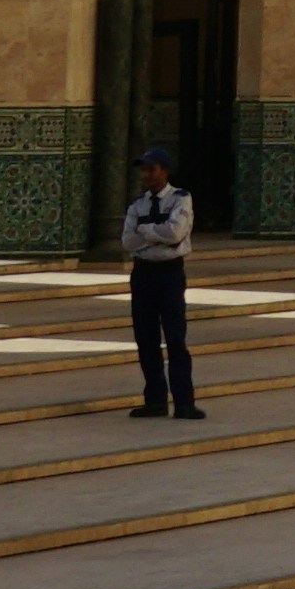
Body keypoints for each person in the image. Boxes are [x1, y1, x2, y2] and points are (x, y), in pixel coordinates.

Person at [121, 144, 201, 422]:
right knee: (146, 338)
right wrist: (157, 233)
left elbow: (176, 233)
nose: (147, 175)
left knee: (175, 338)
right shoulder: (137, 204)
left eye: (151, 169)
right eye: (144, 170)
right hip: (143, 273)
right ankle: (155, 399)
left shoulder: (181, 199)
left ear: (164, 171)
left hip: (169, 273)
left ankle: (184, 402)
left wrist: (145, 231)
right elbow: (127, 241)